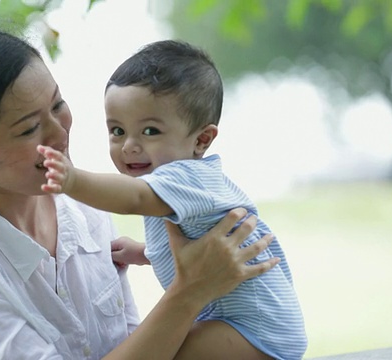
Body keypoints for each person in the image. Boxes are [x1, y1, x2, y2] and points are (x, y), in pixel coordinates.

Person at [0, 23, 281, 359]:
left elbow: (133, 344)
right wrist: (190, 291)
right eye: (29, 129)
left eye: (58, 104)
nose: (61, 134)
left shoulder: (85, 208)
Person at [37, 40, 308, 359]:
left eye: (150, 131)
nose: (129, 146)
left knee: (161, 351)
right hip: (257, 326)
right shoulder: (184, 184)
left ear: (201, 139)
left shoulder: (181, 177)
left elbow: (132, 200)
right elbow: (193, 241)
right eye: (117, 131)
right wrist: (143, 252)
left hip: (254, 330)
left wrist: (72, 179)